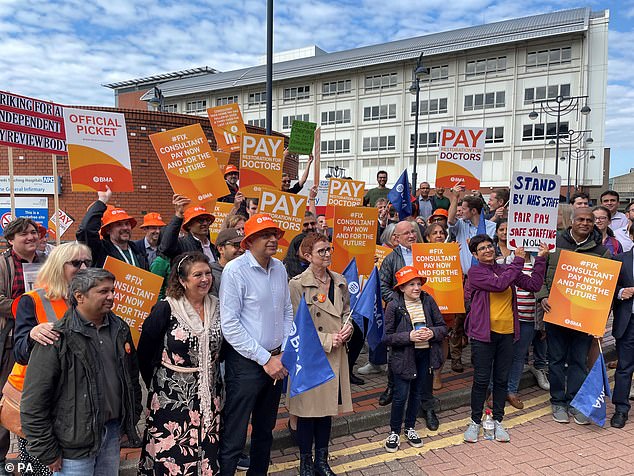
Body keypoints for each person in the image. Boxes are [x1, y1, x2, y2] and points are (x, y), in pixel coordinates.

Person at [21, 268, 142, 475]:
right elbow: (33, 402)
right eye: (104, 291)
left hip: (111, 433)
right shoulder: (56, 337)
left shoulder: (120, 329)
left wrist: (130, 420)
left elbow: (131, 379)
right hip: (73, 446)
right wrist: (47, 451)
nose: (112, 296)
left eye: (112, 290)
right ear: (79, 296)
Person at [218, 213, 294, 475]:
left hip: (277, 360)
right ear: (248, 242)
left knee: (265, 431)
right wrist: (265, 358)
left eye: (274, 234)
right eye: (264, 235)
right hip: (246, 364)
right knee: (235, 434)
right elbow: (230, 325)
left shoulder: (280, 268)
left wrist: (283, 351)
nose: (272, 239)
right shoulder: (235, 271)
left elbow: (286, 311)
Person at [137, 252, 223, 474]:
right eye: (197, 275)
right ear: (183, 281)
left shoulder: (219, 306)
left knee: (206, 449)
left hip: (208, 395)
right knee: (173, 456)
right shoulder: (167, 308)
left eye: (207, 273)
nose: (205, 279)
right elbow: (145, 352)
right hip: (171, 399)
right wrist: (157, 387)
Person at [462, 235, 547, 443]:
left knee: (501, 380)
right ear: (474, 254)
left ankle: (498, 420)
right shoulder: (475, 273)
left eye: (489, 246)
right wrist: (518, 260)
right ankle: (475, 421)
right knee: (481, 380)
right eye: (481, 249)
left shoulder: (504, 269)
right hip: (483, 335)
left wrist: (541, 259)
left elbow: (534, 285)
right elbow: (500, 285)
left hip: (507, 334)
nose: (487, 250)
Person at [537, 207, 611, 424]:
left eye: (589, 220)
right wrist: (543, 297)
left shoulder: (601, 252)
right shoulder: (552, 245)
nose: (585, 223)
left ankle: (575, 402)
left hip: (583, 318)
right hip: (556, 314)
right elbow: (539, 274)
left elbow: (604, 288)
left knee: (578, 361)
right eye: (581, 219)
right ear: (571, 221)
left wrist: (600, 319)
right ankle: (558, 402)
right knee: (556, 360)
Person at [288, 233, 353, 475]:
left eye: (329, 249)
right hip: (309, 358)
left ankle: (322, 461)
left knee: (326, 412)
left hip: (335, 355)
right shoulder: (297, 284)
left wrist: (348, 328)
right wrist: (328, 339)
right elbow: (296, 326)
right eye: (321, 251)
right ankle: (305, 462)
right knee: (306, 413)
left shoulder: (340, 281)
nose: (327, 254)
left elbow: (347, 312)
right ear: (307, 256)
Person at [382, 266, 447, 452]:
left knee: (417, 394)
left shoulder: (428, 300)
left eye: (419, 283)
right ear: (401, 288)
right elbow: (386, 337)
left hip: (424, 355)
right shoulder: (394, 305)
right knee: (401, 395)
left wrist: (432, 333)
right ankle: (394, 431)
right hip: (404, 357)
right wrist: (408, 337)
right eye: (411, 284)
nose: (417, 288)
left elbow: (442, 328)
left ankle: (410, 428)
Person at [0, 217, 46, 472]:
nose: (31, 237)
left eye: (33, 233)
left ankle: (36, 455)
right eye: (24, 234)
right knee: (7, 398)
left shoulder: (46, 262)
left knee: (36, 399)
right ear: (10, 240)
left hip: (41, 341)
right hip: (9, 341)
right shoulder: (2, 264)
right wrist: (23, 306)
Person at [76, 186, 148, 269]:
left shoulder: (138, 250)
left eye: (127, 223)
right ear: (108, 230)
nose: (125, 228)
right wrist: (102, 200)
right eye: (119, 224)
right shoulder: (100, 250)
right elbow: (86, 229)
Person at [422, 223, 453, 391]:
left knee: (443, 338)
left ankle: (438, 374)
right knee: (426, 337)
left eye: (442, 232)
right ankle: (424, 371)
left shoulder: (452, 251)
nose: (439, 235)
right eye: (435, 233)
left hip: (447, 303)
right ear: (428, 237)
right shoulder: (420, 253)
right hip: (426, 303)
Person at [612, 223, 634, 428]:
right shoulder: (620, 261)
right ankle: (620, 409)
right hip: (629, 323)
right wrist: (620, 292)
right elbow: (608, 289)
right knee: (625, 367)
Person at [211, 227, 244, 297]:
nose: (241, 250)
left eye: (243, 246)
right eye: (236, 245)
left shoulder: (247, 270)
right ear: (220, 249)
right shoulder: (210, 273)